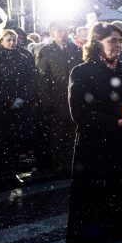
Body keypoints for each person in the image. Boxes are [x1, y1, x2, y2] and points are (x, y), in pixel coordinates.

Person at [65, 23, 122, 243]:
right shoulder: (82, 71)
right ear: (97, 42)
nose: (118, 45)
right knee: (100, 197)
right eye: (112, 40)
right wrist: (114, 123)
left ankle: (114, 237)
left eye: (120, 41)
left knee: (120, 194)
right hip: (97, 146)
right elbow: (79, 112)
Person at [0, 29, 36, 188]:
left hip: (20, 106)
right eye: (9, 40)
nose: (12, 42)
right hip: (1, 108)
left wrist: (22, 98)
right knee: (2, 142)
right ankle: (3, 174)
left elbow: (31, 79)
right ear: (1, 41)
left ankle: (13, 172)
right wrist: (9, 100)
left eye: (14, 39)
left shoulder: (24, 57)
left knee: (15, 142)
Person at [35, 21, 83, 175]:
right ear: (53, 32)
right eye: (59, 30)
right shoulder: (46, 51)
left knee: (73, 133)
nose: (63, 33)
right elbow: (43, 79)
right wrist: (46, 101)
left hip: (74, 98)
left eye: (65, 30)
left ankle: (71, 163)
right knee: (58, 135)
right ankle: (59, 166)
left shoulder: (76, 50)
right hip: (56, 98)